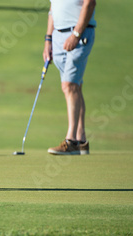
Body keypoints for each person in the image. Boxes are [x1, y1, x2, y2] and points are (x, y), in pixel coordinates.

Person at [43, 0, 96, 155]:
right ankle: (81, 140)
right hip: (58, 35)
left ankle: (70, 141)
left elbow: (90, 3)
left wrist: (76, 34)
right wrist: (48, 39)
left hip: (79, 34)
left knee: (69, 85)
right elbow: (53, 9)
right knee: (75, 86)